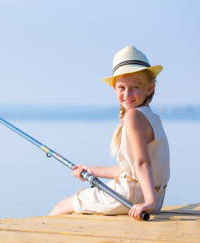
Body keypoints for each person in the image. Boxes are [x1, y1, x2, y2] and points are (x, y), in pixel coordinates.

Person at [49, 46, 170, 221]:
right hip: (153, 197)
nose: (127, 94)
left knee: (63, 206)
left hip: (132, 197)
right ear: (114, 88)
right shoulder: (153, 117)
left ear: (150, 88)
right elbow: (132, 170)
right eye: (122, 87)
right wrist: (91, 170)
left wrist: (148, 202)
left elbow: (142, 162)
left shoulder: (133, 116)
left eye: (135, 87)